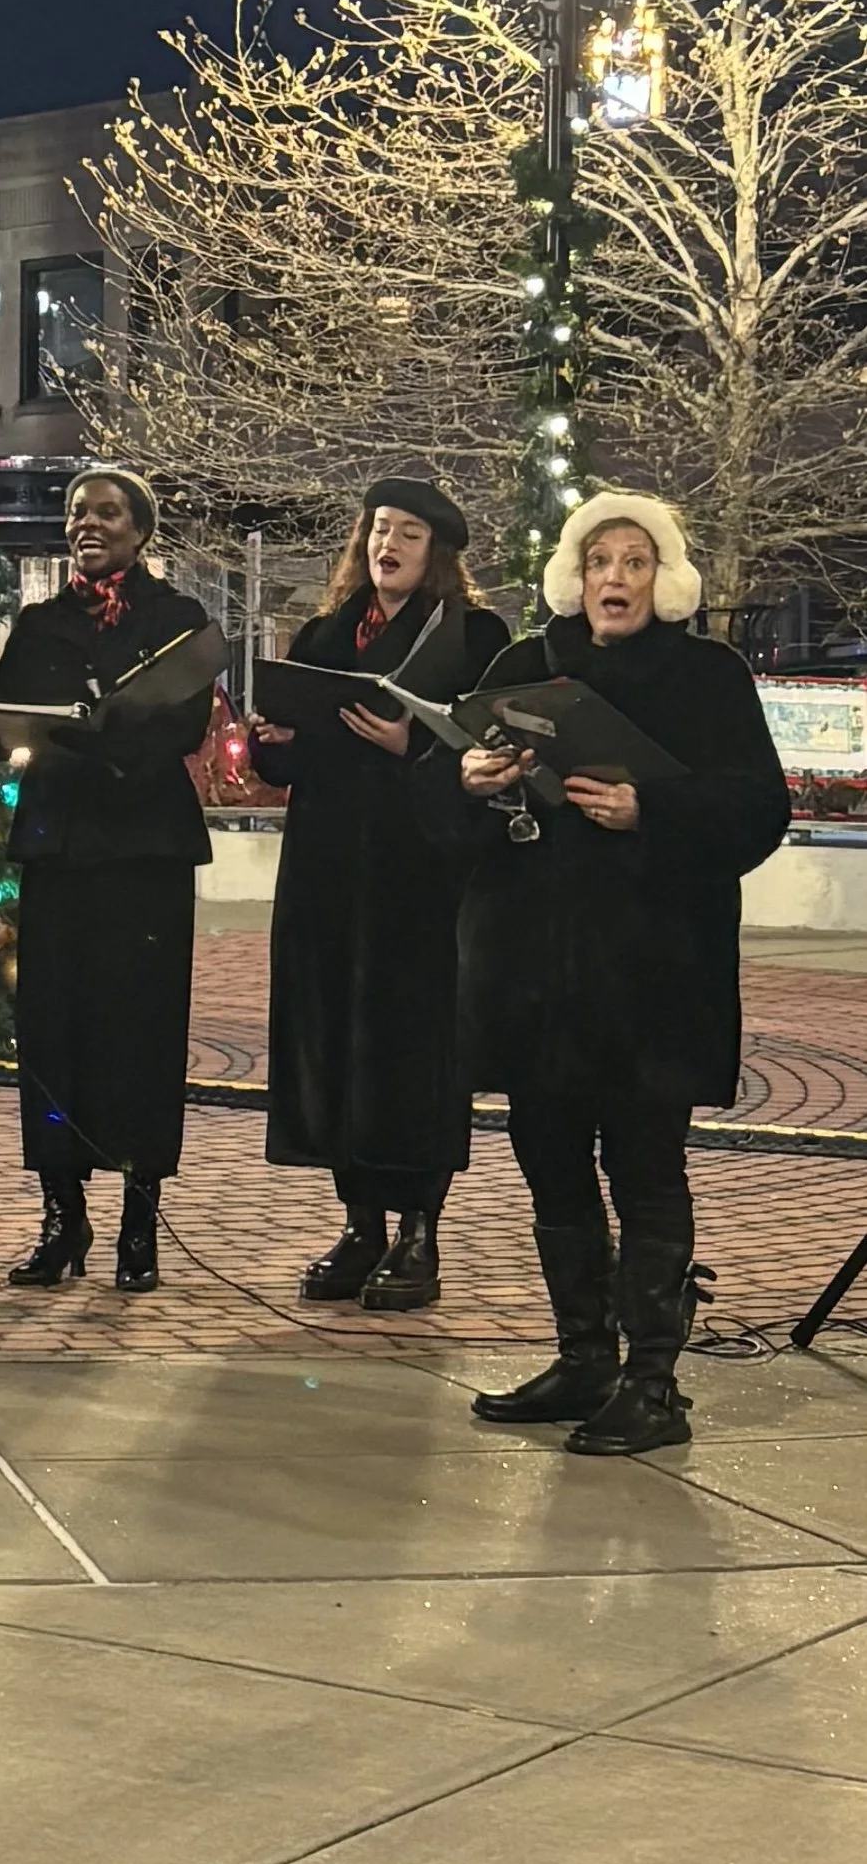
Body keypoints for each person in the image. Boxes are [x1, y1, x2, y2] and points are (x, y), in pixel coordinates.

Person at [442, 491, 789, 1455]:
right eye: (600, 562)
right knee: (548, 1160)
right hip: (532, 967)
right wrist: (469, 784)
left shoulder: (709, 676)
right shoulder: (523, 665)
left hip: (652, 971)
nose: (615, 579)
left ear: (663, 579)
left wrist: (653, 813)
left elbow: (760, 809)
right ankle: (584, 1357)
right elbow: (453, 817)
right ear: (575, 575)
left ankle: (653, 1383)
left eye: (636, 562)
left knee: (643, 1166)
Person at [248, 475, 509, 1310]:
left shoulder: (473, 636)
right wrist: (273, 740)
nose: (385, 546)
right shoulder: (327, 631)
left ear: (436, 553)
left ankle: (419, 1232)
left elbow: (490, 756)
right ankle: (360, 1221)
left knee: (414, 1047)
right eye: (376, 531)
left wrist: (414, 744)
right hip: (328, 875)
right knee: (330, 1041)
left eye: (405, 534)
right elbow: (294, 761)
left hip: (420, 880)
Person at [0, 465, 216, 1293]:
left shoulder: (177, 619)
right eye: (79, 511)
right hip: (59, 848)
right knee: (56, 1037)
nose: (88, 522)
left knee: (140, 1037)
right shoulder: (42, 622)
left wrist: (89, 734)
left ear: (140, 528)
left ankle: (138, 1221)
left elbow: (182, 726)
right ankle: (62, 1215)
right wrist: (18, 730)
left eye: (108, 511)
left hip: (145, 854)